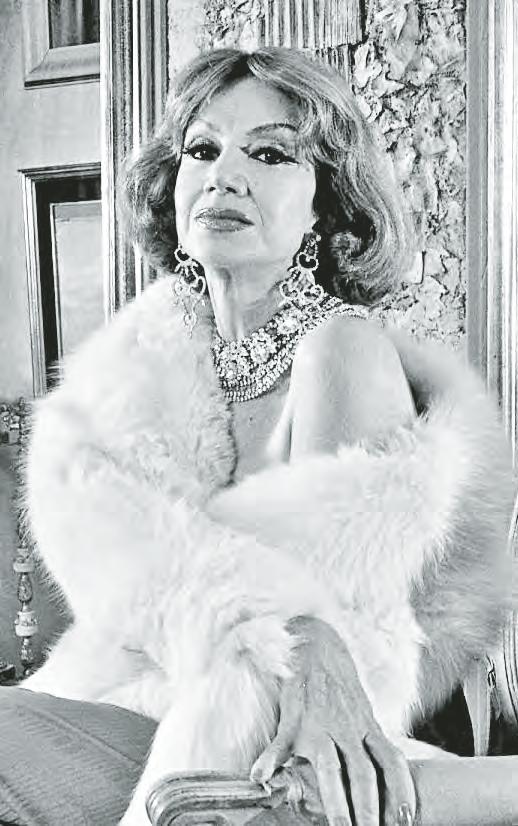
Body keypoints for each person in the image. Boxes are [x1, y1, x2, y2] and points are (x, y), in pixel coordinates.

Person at [0, 47, 515, 826]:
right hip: (117, 706)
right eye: (203, 149)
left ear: (327, 206)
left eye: (270, 154)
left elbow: (314, 661)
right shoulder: (143, 370)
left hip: (244, 749)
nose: (225, 176)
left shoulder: (341, 353)